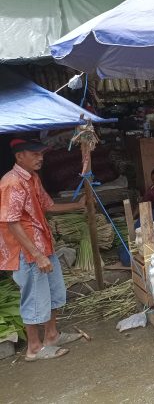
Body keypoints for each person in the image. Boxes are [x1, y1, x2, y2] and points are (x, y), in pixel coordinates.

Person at [0, 139, 86, 361]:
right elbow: (12, 223)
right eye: (35, 154)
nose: (41, 158)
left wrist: (78, 205)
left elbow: (49, 206)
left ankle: (51, 336)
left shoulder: (33, 178)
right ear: (19, 156)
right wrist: (37, 255)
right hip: (27, 253)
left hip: (43, 245)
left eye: (41, 154)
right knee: (33, 297)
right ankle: (34, 348)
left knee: (54, 292)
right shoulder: (11, 182)